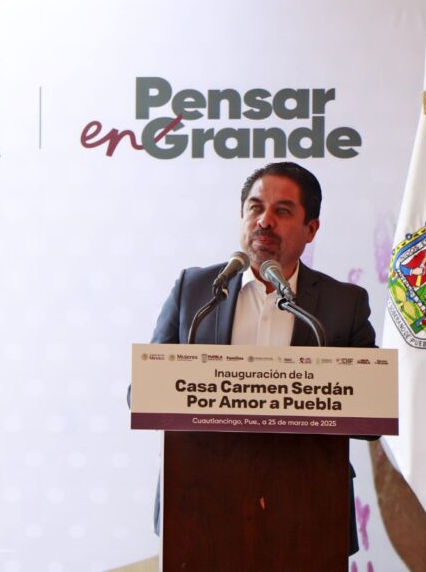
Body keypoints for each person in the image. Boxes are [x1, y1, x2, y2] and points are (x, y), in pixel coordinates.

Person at [150, 161, 375, 555]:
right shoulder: (195, 290)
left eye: (282, 211)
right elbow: (145, 393)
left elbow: (372, 412)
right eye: (255, 208)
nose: (264, 221)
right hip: (200, 503)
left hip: (310, 507)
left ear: (311, 229)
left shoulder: (344, 304)